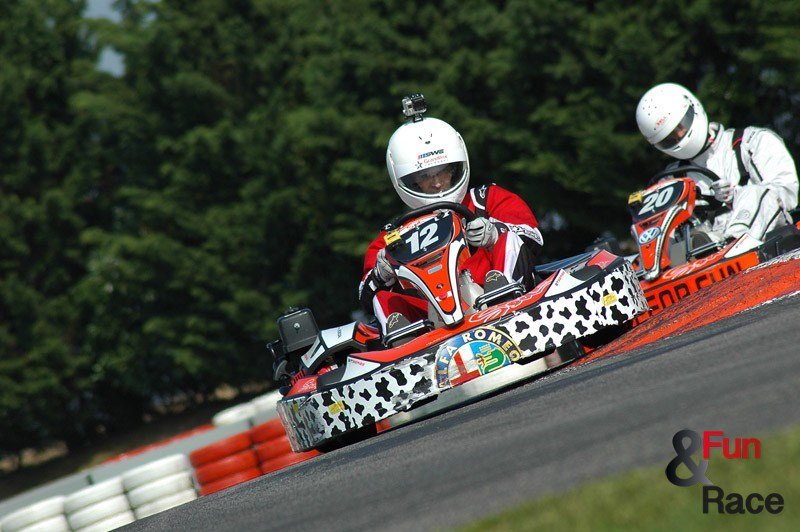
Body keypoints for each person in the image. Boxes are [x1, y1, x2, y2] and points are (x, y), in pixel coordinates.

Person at [358, 96, 544, 335]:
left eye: (442, 171)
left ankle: (503, 298)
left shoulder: (487, 199)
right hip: (435, 324)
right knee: (383, 294)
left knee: (508, 237)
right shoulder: (394, 236)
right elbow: (365, 296)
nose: (437, 183)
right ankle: (407, 339)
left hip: (499, 299)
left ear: (454, 168)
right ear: (408, 181)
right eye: (424, 176)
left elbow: (533, 237)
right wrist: (381, 273)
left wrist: (494, 232)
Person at [636, 82, 798, 242]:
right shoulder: (672, 181)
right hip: (709, 248)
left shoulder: (753, 141)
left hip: (770, 241)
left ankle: (734, 243)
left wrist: (735, 195)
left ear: (693, 109)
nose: (679, 136)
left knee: (754, 193)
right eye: (670, 138)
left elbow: (786, 193)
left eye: (680, 126)